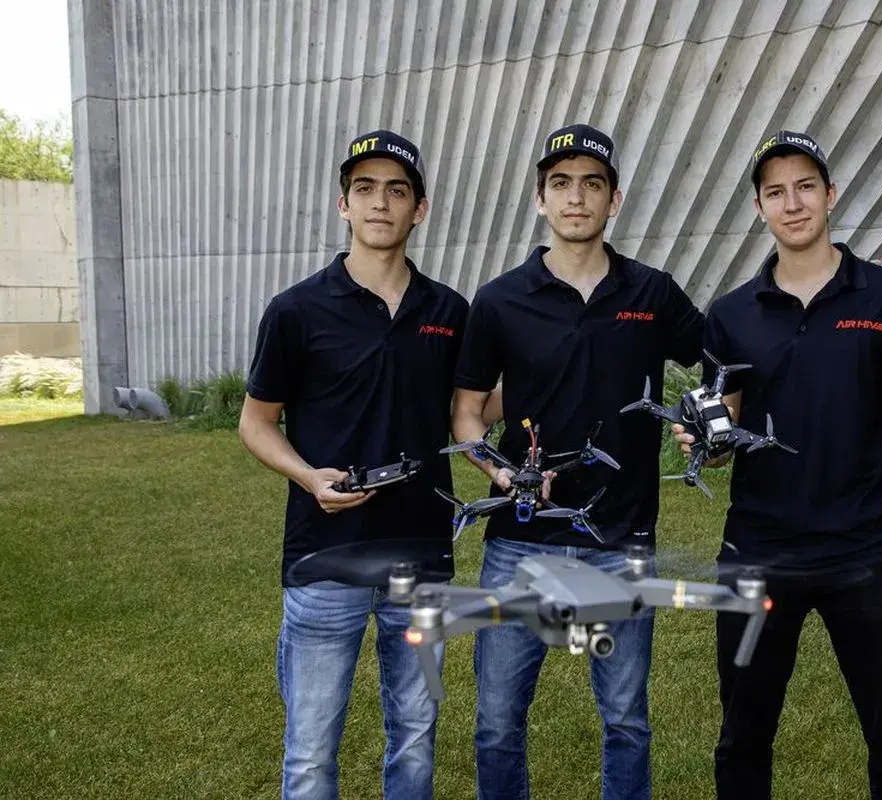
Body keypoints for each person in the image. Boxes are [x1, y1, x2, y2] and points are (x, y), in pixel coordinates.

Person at [675, 130, 882, 799]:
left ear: (831, 194)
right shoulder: (731, 315)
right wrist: (704, 444)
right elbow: (724, 427)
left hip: (867, 549)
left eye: (805, 187)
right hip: (757, 551)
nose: (792, 203)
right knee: (742, 738)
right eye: (775, 192)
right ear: (759, 207)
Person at [449, 122, 705, 800]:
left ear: (613, 200)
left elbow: (719, 362)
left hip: (623, 540)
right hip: (519, 544)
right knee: (497, 724)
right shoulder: (499, 299)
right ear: (540, 199)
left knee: (625, 722)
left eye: (592, 184)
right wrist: (498, 473)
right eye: (560, 184)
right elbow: (467, 411)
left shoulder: (652, 293)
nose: (576, 197)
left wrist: (712, 423)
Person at [238, 129, 472, 800]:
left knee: (416, 740)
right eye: (365, 189)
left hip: (421, 559)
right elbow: (256, 422)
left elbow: (471, 411)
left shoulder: (449, 312)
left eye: (397, 191)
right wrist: (308, 476)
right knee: (311, 754)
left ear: (419, 210)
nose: (380, 203)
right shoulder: (295, 310)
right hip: (325, 559)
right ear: (344, 204)